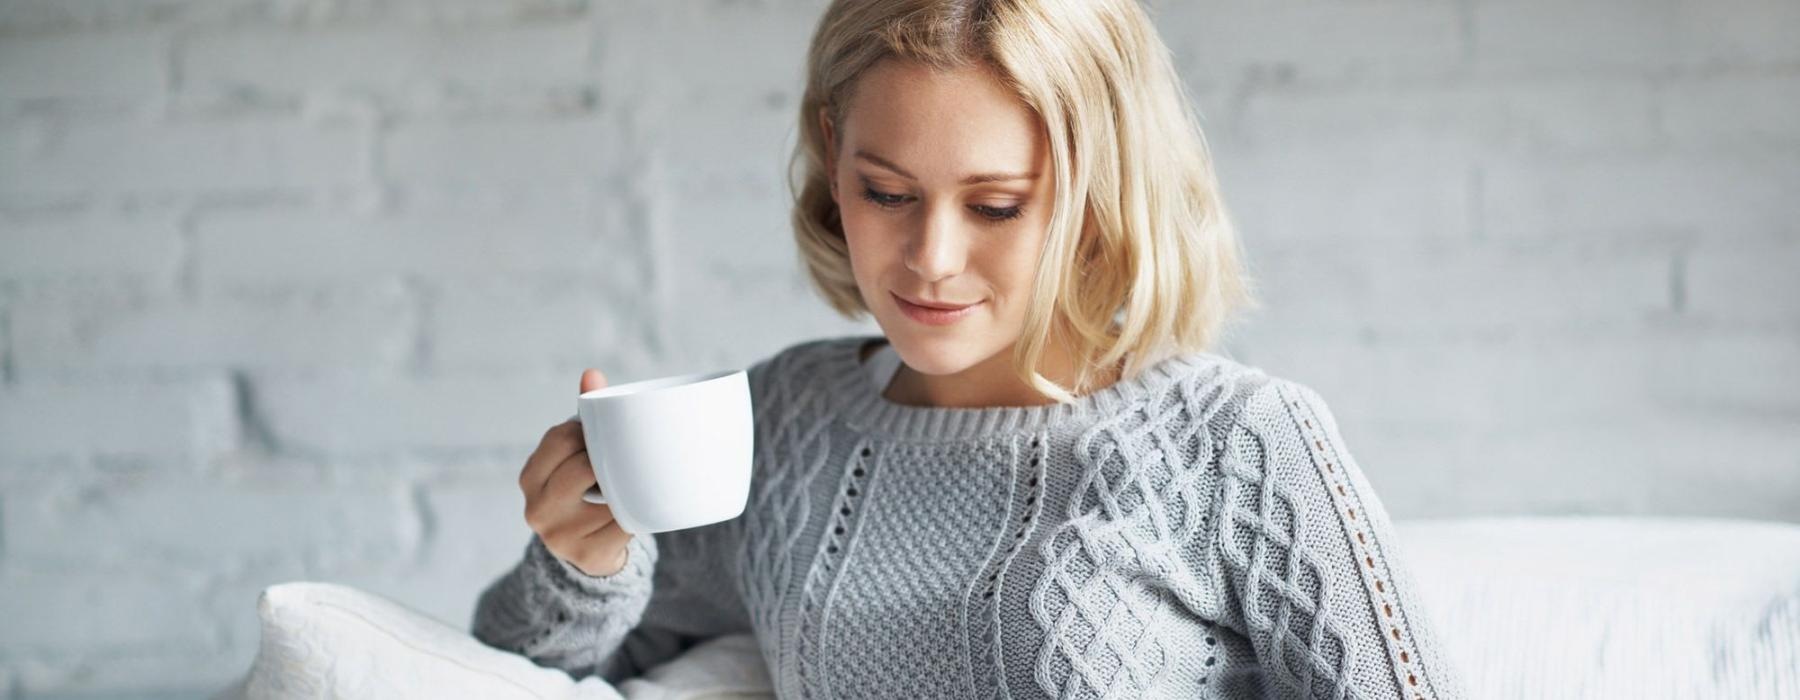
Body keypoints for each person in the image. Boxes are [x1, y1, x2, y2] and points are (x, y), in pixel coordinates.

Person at [473, 0, 1466, 697]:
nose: (930, 259)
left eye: (995, 205)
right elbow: (522, 674)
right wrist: (581, 560)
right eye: (886, 193)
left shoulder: (1239, 442)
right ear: (832, 156)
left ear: (1099, 194)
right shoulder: (782, 425)